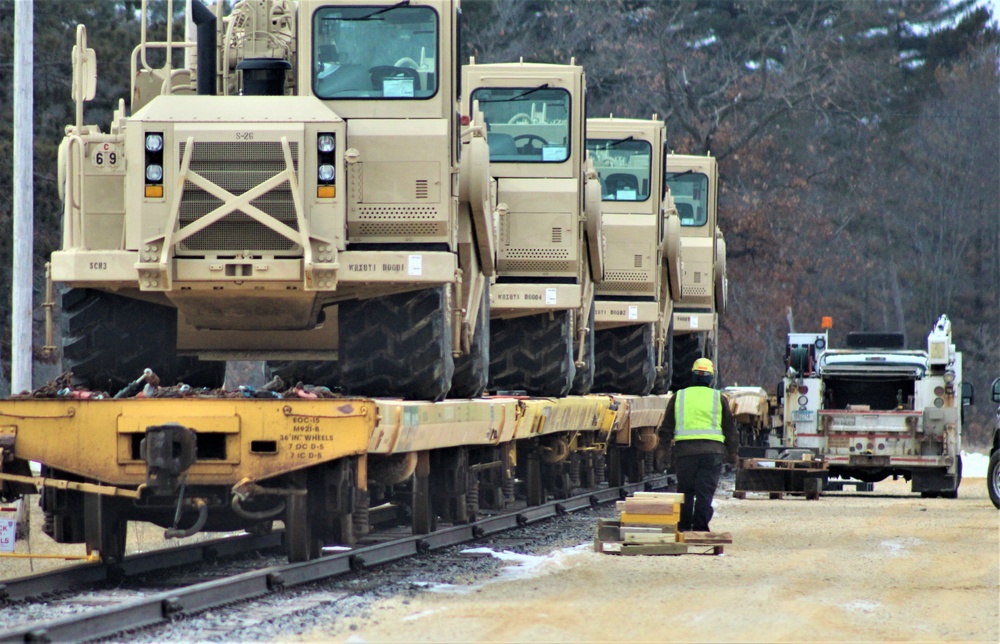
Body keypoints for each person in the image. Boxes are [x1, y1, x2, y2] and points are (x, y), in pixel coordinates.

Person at [660, 357, 738, 533]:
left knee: (685, 491)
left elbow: (666, 428)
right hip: (712, 453)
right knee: (705, 491)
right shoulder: (718, 398)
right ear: (711, 378)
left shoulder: (679, 396)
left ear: (693, 375)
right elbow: (730, 429)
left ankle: (684, 526)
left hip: (685, 453)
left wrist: (663, 451)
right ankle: (701, 528)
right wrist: (733, 453)